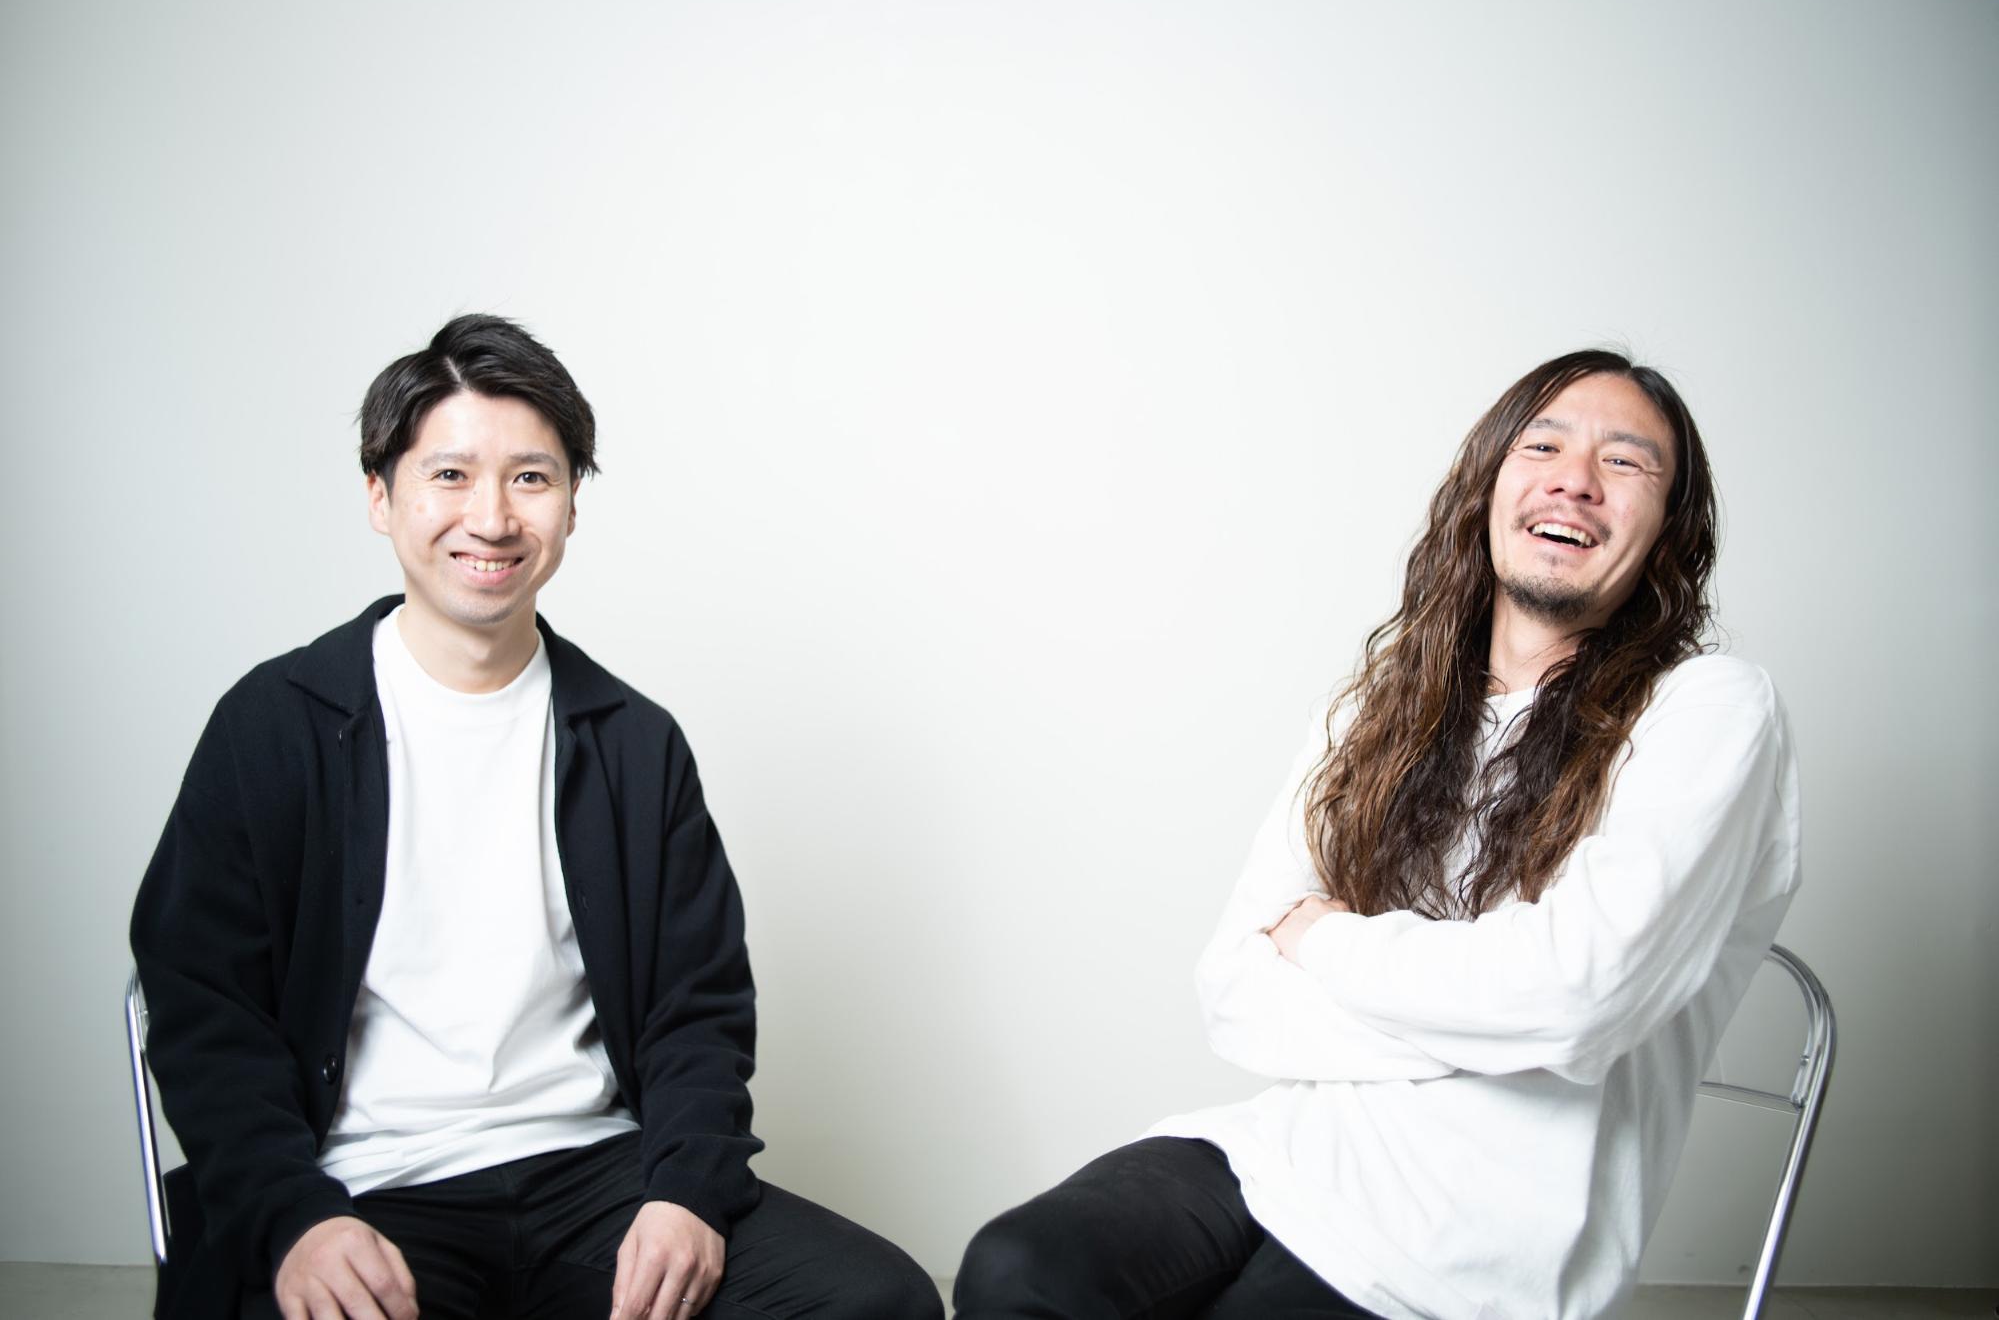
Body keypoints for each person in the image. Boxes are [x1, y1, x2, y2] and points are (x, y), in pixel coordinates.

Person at [952, 351, 1801, 1319]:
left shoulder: (1707, 710)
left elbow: (1576, 997)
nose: (1574, 478)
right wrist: (1494, 1021)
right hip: (1281, 1155)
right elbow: (1232, 986)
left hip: (1472, 1251)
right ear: (1487, 485)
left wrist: (1324, 942)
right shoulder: (1380, 712)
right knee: (1013, 1267)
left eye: (1624, 461)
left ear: (1669, 529)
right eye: (1542, 446)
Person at [130, 315, 941, 1320]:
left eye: (530, 477)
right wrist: (293, 1215)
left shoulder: (632, 742)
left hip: (595, 1176)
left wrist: (686, 1193)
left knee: (879, 1301)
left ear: (570, 505)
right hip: (363, 1189)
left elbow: (697, 1006)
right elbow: (205, 1009)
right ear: (380, 496)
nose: (492, 517)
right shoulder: (275, 726)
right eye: (450, 475)